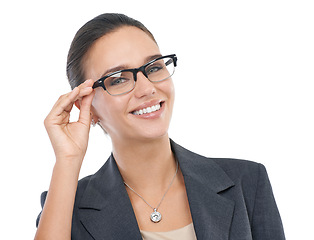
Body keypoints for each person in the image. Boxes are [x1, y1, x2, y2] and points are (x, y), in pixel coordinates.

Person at [35, 13, 285, 240]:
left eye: (154, 67)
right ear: (88, 105)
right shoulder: (67, 206)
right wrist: (68, 159)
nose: (147, 88)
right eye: (119, 79)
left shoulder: (247, 183)